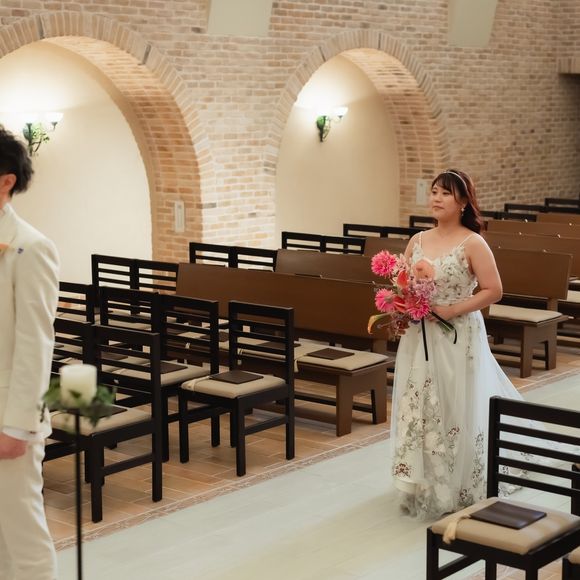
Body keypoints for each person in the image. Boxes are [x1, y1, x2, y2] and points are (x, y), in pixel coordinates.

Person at [390, 168, 525, 520]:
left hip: (457, 333)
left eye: (445, 193)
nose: (436, 198)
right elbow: (403, 282)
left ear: (463, 201)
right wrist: (402, 304)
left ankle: (461, 480)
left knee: (455, 403)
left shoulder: (472, 243)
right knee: (419, 403)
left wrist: (451, 310)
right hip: (420, 335)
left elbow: (494, 290)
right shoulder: (418, 240)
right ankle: (424, 482)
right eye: (434, 191)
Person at [0, 126, 58, 579]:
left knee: (22, 534)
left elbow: (35, 344)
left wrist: (17, 425)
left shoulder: (31, 246)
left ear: (6, 181)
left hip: (8, 417)